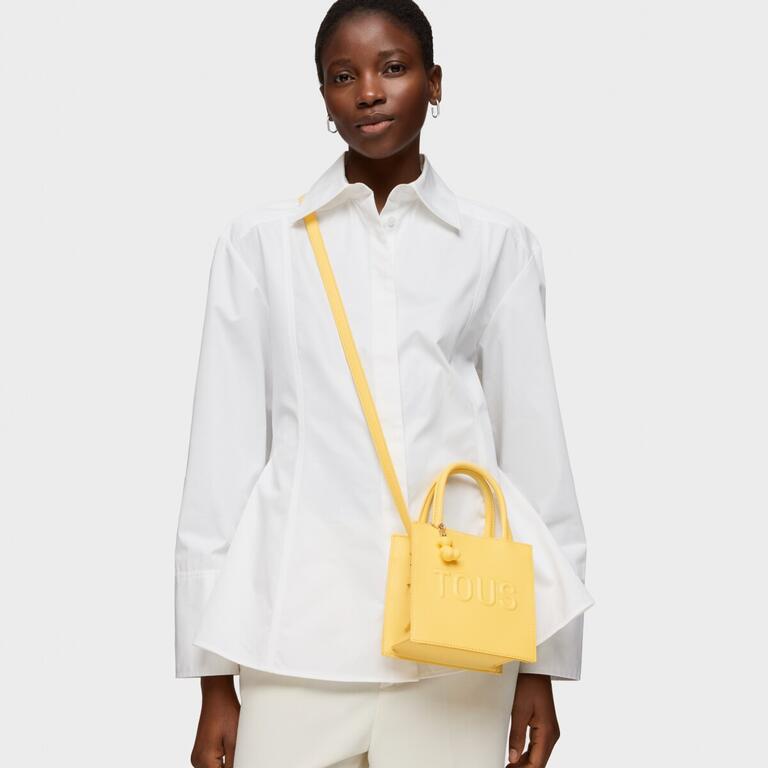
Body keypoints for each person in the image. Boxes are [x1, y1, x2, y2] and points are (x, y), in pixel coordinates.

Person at [174, 1, 595, 766]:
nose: (368, 91)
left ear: (435, 83)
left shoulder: (496, 245)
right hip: (296, 637)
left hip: (457, 643)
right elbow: (219, 462)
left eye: (393, 68)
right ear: (324, 98)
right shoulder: (260, 244)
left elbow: (536, 460)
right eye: (344, 76)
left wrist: (544, 662)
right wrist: (211, 678)